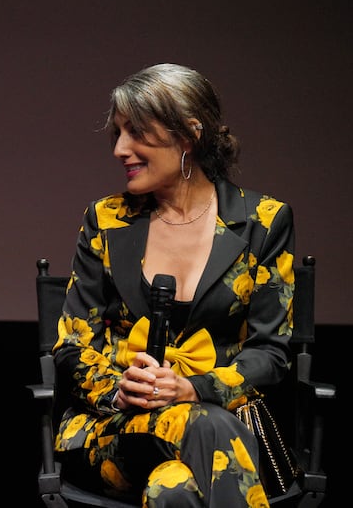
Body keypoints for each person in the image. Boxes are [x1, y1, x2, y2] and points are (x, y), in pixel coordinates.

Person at [52, 63, 295, 507]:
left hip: (220, 422)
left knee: (174, 490)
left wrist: (193, 389)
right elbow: (71, 344)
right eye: (118, 134)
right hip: (118, 430)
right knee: (207, 427)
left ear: (188, 135)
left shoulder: (263, 222)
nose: (120, 149)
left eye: (136, 133)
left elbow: (270, 354)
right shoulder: (105, 221)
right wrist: (119, 389)